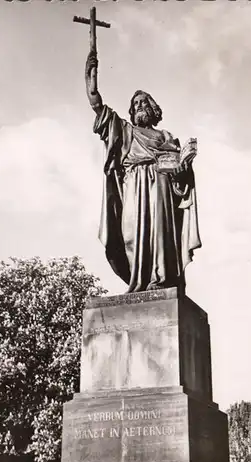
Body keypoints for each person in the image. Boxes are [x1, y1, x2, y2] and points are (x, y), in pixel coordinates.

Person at [85, 50, 201, 294]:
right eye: (135, 103)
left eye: (144, 102)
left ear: (153, 108)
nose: (139, 106)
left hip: (160, 188)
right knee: (131, 235)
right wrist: (91, 75)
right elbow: (96, 102)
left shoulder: (166, 136)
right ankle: (139, 281)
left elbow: (180, 179)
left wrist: (182, 168)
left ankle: (160, 280)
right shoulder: (124, 130)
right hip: (134, 186)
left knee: (160, 238)